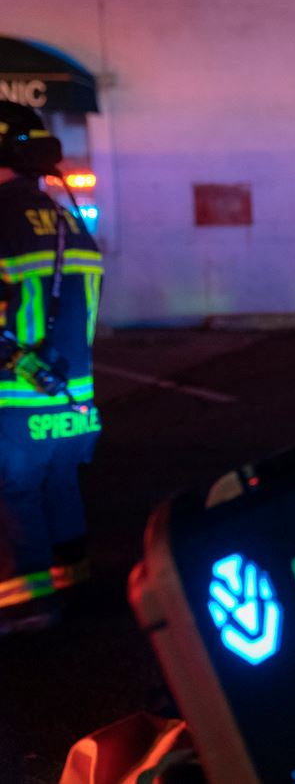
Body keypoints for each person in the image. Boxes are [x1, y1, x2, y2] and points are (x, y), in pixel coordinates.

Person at [0, 101, 103, 636]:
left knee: (13, 495)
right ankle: (73, 588)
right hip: (73, 404)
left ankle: (24, 607)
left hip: (13, 404)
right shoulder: (67, 218)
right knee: (61, 487)